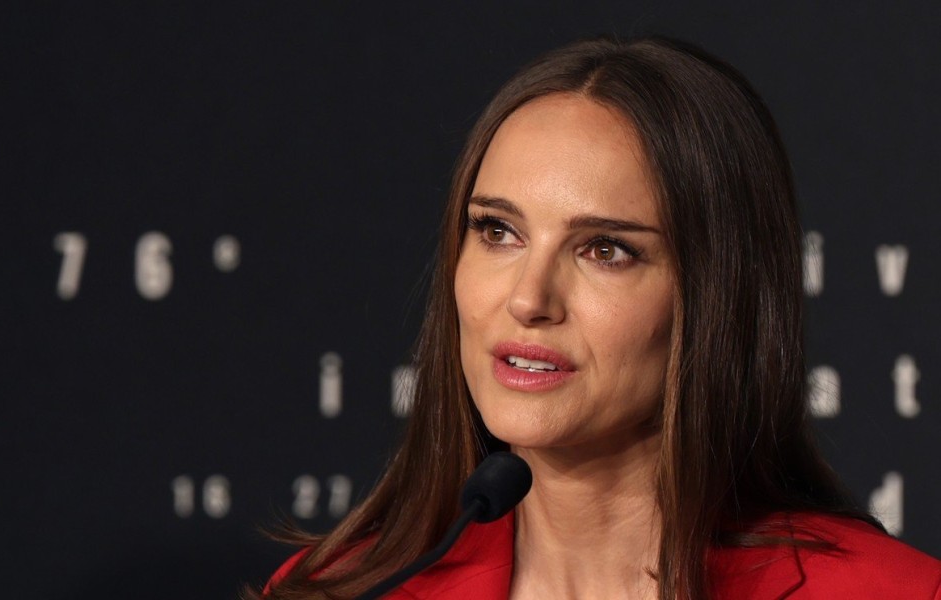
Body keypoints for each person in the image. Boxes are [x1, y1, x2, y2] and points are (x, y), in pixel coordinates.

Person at [252, 35, 941, 600]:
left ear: (717, 298)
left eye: (604, 249)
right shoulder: (341, 592)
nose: (528, 299)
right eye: (497, 232)